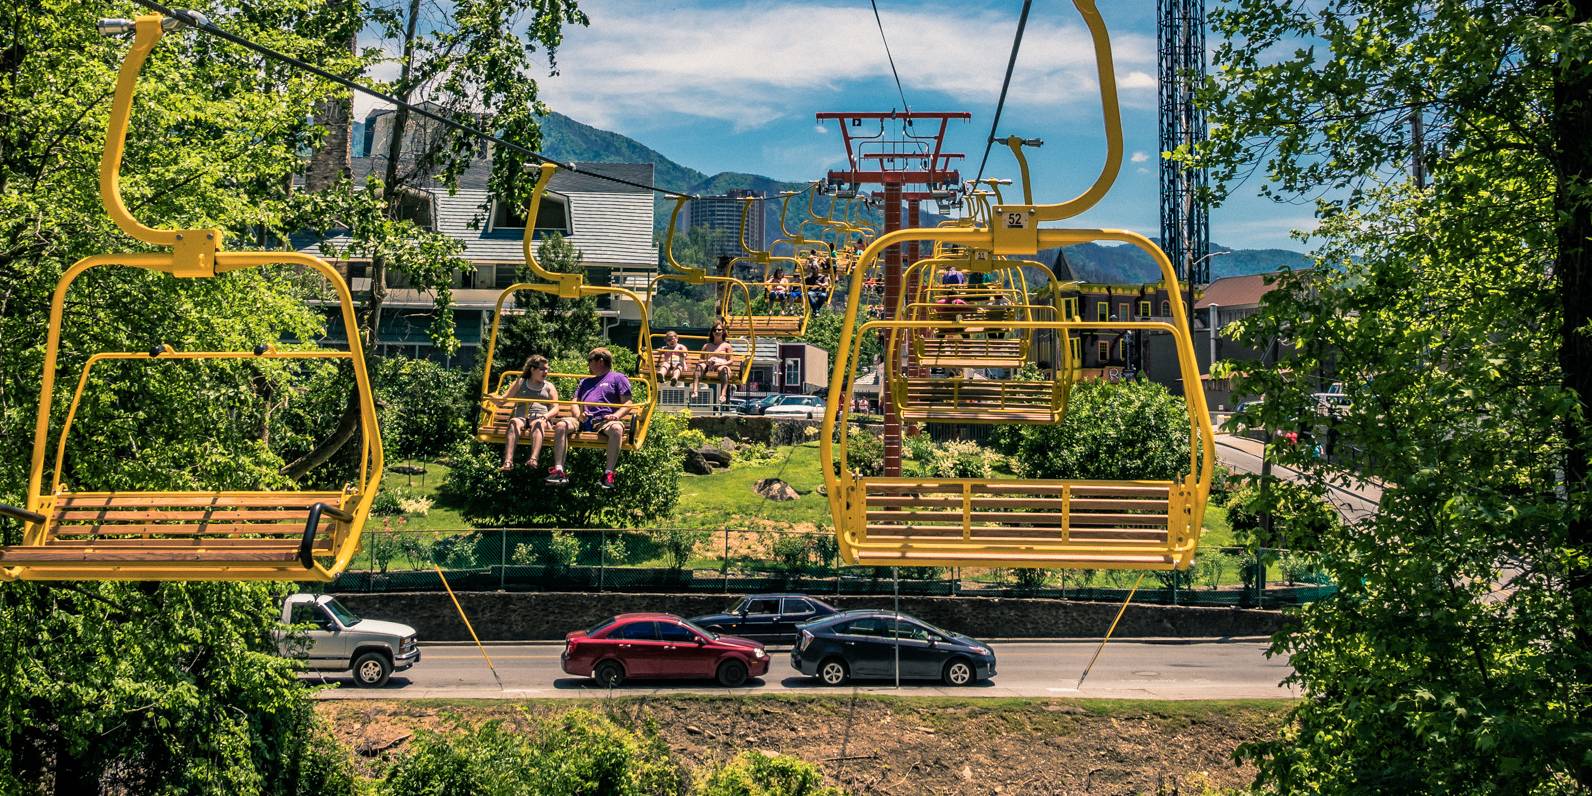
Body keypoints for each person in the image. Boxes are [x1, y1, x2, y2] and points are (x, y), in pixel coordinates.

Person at [552, 347, 632, 489]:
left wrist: (616, 416)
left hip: (603, 420)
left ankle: (608, 474)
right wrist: (578, 415)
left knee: (617, 429)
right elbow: (574, 402)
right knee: (560, 425)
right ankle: (558, 471)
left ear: (600, 361)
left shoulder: (618, 377)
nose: (588, 365)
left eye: (589, 361)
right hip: (583, 419)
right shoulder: (585, 382)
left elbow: (628, 403)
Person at [498, 355, 559, 471]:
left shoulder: (549, 387)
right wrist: (490, 400)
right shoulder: (521, 383)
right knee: (513, 422)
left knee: (538, 424)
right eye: (542, 369)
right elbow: (504, 399)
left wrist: (546, 416)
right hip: (522, 417)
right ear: (532, 369)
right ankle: (508, 461)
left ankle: (533, 459)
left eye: (547, 369)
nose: (545, 372)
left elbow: (556, 407)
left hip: (540, 418)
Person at [691, 320, 736, 404]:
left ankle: (723, 395)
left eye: (719, 330)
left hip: (721, 365)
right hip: (709, 366)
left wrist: (721, 363)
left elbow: (731, 360)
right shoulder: (707, 346)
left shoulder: (727, 346)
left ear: (723, 332)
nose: (717, 331)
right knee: (699, 367)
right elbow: (700, 360)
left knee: (724, 369)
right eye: (715, 330)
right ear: (712, 332)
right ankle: (695, 391)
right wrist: (707, 361)